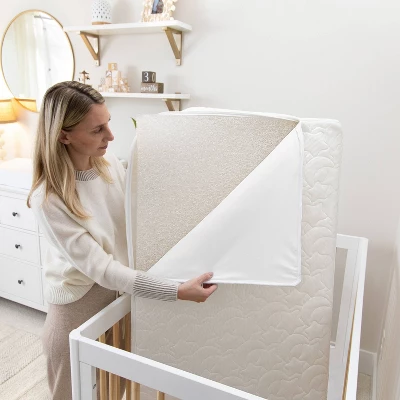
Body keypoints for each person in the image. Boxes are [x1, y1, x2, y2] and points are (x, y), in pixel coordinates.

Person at [27, 81, 217, 399]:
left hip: (120, 297)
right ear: (64, 135)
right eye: (97, 130)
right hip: (78, 307)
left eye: (108, 123)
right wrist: (175, 291)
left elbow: (141, 215)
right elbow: (103, 269)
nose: (111, 136)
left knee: (115, 390)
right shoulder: (48, 200)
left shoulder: (111, 166)